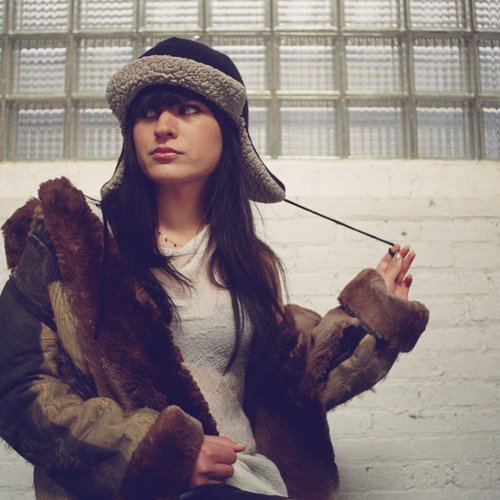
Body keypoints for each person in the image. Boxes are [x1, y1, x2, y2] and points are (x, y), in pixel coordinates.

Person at [0, 37, 429, 500]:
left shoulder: (250, 263)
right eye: (147, 113)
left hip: (251, 485)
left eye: (187, 109)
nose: (163, 127)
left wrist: (373, 317)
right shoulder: (74, 244)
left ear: (229, 132)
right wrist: (164, 454)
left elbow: (291, 396)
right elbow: (19, 390)